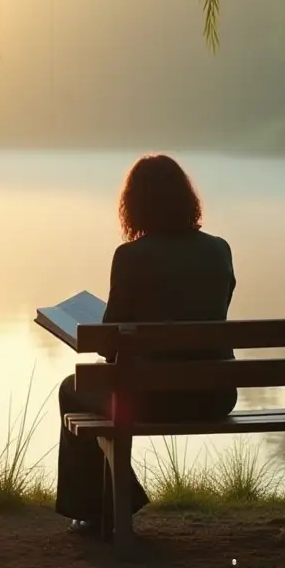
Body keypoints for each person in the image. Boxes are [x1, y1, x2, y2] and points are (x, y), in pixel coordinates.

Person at [55, 154, 239, 534]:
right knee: (92, 389)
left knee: (73, 388)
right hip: (216, 394)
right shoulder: (219, 250)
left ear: (134, 205)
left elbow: (110, 346)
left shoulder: (131, 257)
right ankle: (118, 499)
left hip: (153, 399)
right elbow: (212, 317)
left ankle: (97, 511)